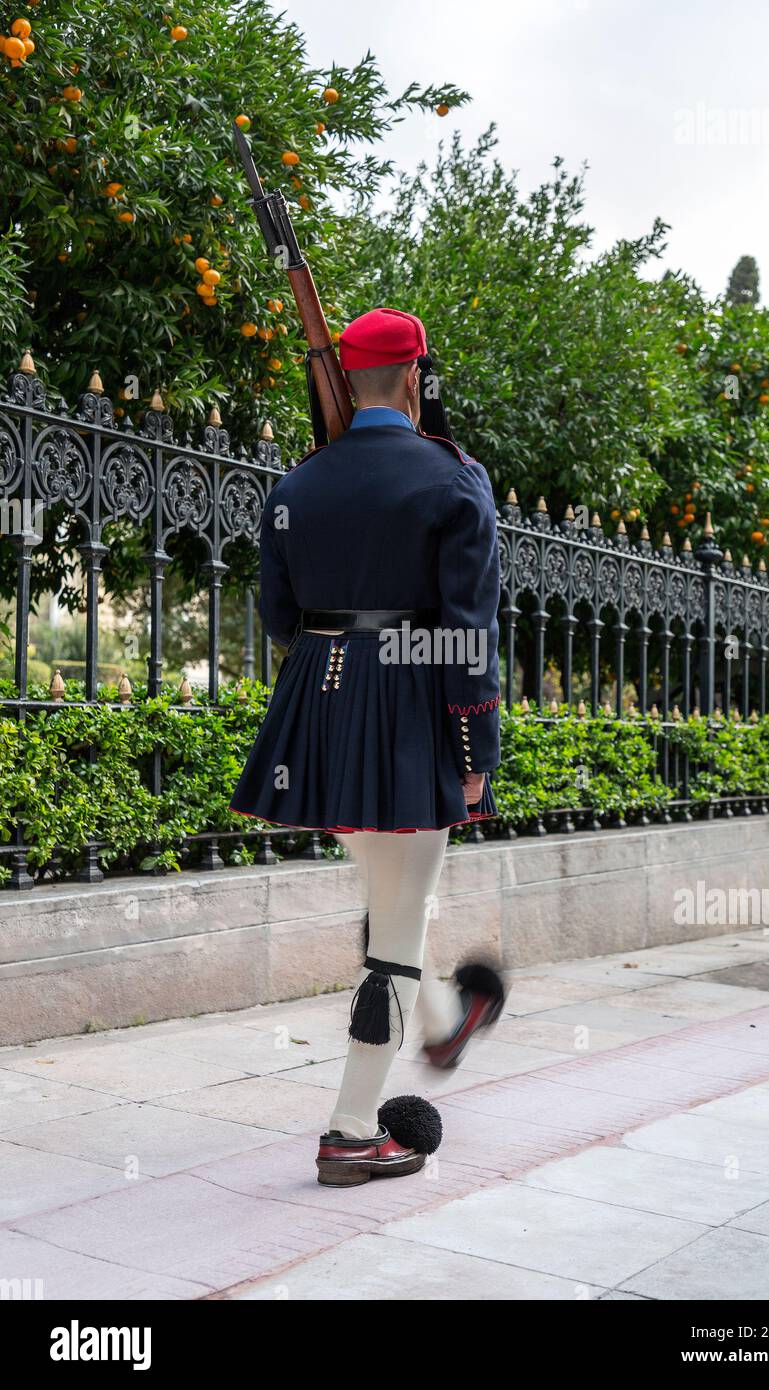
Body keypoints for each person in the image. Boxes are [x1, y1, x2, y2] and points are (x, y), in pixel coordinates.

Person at [230, 307, 506, 1186]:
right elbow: (468, 636)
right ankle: (350, 1131)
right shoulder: (454, 478)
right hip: (412, 705)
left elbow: (281, 618)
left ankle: (441, 1022)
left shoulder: (296, 485)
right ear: (418, 376)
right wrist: (474, 756)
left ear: (345, 380)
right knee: (397, 925)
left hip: (320, 700)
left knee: (395, 905)